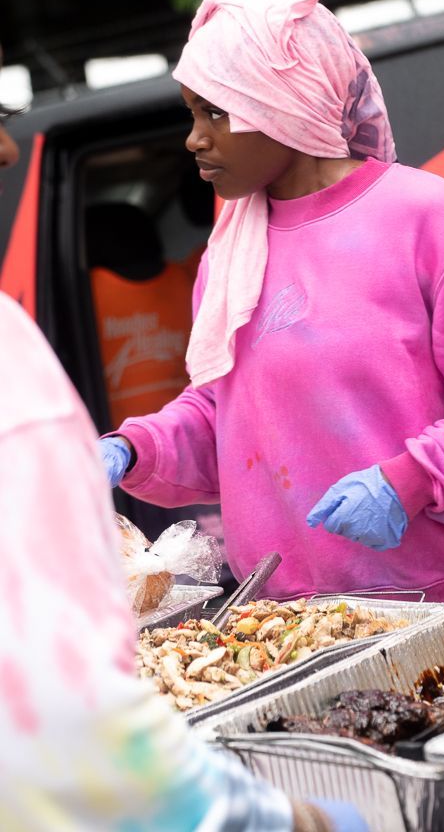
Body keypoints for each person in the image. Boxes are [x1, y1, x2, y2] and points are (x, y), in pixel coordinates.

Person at [101, 0, 444, 604]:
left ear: (280, 104)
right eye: (192, 113)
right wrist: (135, 447)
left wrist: (408, 482)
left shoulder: (425, 215)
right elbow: (226, 421)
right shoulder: (231, 249)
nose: (194, 139)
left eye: (215, 112)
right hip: (297, 618)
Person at [0, 104, 364, 830]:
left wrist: (411, 479)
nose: (9, 151)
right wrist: (280, 823)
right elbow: (72, 719)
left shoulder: (422, 219)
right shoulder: (15, 372)